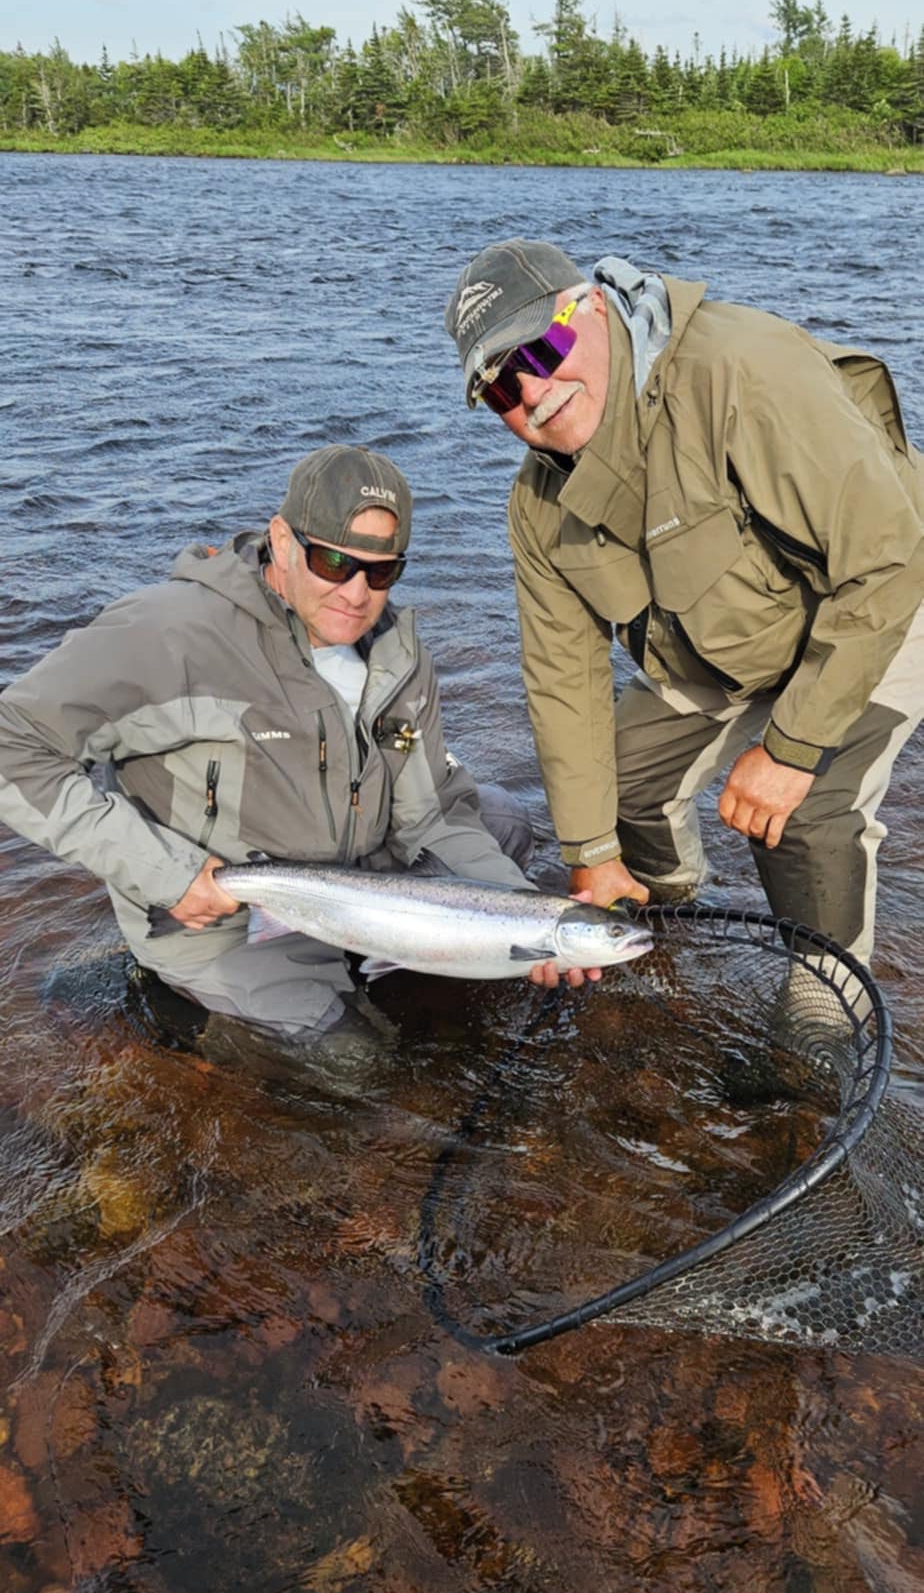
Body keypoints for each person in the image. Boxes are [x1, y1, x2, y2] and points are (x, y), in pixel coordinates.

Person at [444, 239, 924, 963]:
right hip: (725, 642)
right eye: (502, 391)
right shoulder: (536, 508)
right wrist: (592, 853)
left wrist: (790, 751)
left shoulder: (742, 370)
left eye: (540, 355)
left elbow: (887, 560)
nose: (534, 394)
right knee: (622, 791)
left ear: (593, 310)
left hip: (884, 600)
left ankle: (826, 1004)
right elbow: (564, 682)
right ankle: (662, 924)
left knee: (800, 812)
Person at [0, 444, 539, 1069]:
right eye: (334, 561)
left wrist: (529, 922)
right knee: (356, 1068)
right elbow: (15, 746)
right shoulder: (169, 634)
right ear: (281, 540)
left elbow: (432, 818)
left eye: (382, 571)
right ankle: (184, 1013)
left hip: (358, 884)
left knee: (507, 827)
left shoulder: (397, 652)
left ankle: (374, 959)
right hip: (221, 921)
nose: (358, 592)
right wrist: (167, 874)